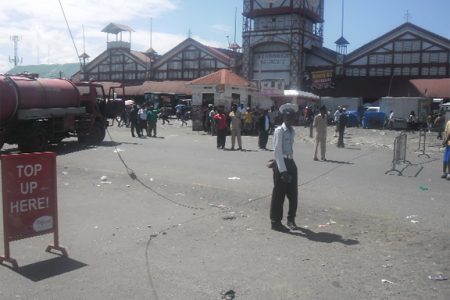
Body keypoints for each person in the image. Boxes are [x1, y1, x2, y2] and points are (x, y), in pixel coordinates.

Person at [270, 103, 299, 232]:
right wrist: (283, 171)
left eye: (292, 117)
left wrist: (290, 166)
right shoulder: (279, 131)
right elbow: (277, 151)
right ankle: (275, 221)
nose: (290, 119)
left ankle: (291, 219)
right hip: (281, 163)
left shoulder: (292, 131)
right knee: (279, 195)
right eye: (287, 117)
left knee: (293, 194)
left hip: (290, 161)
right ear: (283, 117)